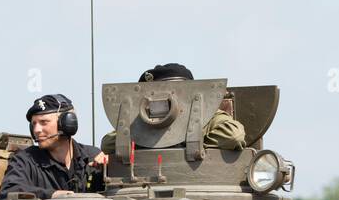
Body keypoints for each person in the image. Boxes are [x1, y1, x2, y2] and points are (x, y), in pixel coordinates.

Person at [102, 63, 246, 154]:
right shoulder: (143, 122)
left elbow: (234, 135)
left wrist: (187, 140)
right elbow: (108, 143)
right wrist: (145, 138)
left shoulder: (206, 116)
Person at [0, 94, 108, 200]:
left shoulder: (92, 157)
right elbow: (8, 192)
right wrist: (52, 195)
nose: (37, 130)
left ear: (66, 123)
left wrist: (109, 170)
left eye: (43, 122)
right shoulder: (25, 161)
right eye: (34, 124)